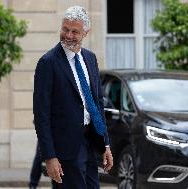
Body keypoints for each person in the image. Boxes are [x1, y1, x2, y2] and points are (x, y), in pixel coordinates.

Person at [33, 5, 113, 189]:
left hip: (91, 144)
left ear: (85, 32)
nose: (68, 35)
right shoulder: (48, 63)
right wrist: (50, 157)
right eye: (65, 29)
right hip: (65, 151)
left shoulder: (90, 58)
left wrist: (106, 144)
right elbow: (41, 114)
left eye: (74, 31)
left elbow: (96, 106)